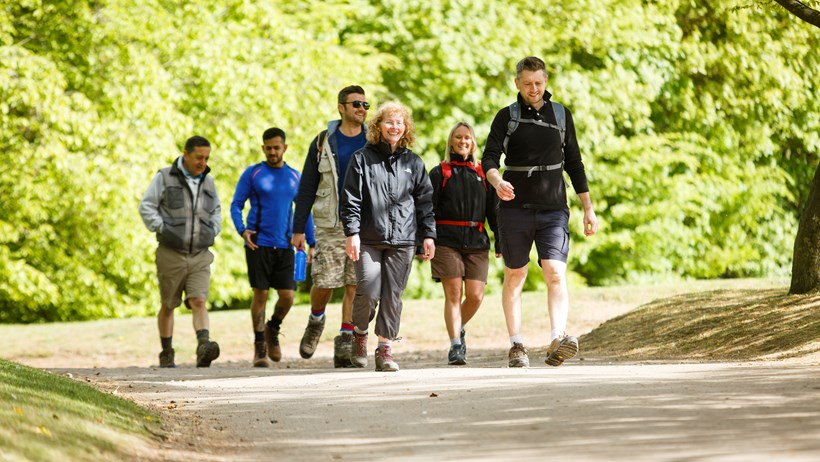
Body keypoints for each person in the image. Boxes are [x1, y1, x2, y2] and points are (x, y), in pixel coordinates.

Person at [482, 56, 599, 368]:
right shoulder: (507, 116)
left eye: (538, 83)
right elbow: (490, 157)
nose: (533, 89)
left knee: (556, 273)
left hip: (553, 209)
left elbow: (574, 163)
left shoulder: (561, 114)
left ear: (546, 81)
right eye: (527, 83)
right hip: (514, 208)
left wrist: (588, 208)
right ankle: (516, 344)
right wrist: (496, 181)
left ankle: (558, 338)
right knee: (516, 275)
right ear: (517, 84)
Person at [341, 101, 436, 372]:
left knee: (393, 294)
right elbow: (351, 200)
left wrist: (428, 235)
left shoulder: (414, 163)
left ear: (405, 128)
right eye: (389, 122)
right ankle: (360, 333)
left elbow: (425, 203)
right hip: (369, 238)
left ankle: (385, 349)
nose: (394, 127)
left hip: (404, 239)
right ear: (378, 126)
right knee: (369, 290)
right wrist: (352, 233)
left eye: (399, 122)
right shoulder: (362, 158)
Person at [292, 85, 369, 368]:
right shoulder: (323, 141)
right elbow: (307, 187)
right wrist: (298, 229)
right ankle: (315, 319)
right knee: (324, 281)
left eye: (365, 104)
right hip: (329, 222)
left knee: (354, 283)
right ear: (341, 107)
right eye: (356, 104)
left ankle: (345, 342)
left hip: (362, 222)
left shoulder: (372, 139)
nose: (362, 109)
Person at [230, 127, 315, 367]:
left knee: (287, 296)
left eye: (277, 147)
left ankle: (272, 328)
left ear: (285, 148)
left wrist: (312, 242)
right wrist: (241, 229)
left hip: (286, 245)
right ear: (263, 148)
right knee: (261, 294)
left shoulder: (294, 177)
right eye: (268, 148)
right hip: (258, 244)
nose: (272, 152)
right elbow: (236, 204)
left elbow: (303, 211)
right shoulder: (253, 173)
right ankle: (259, 347)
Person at [138, 135, 222, 368]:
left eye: (206, 158)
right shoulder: (164, 177)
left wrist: (214, 229)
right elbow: (146, 206)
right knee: (169, 304)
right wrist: (162, 228)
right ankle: (167, 352)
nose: (203, 162)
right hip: (170, 252)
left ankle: (204, 347)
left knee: (199, 299)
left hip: (200, 254)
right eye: (198, 157)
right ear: (185, 154)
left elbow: (216, 210)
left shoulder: (209, 182)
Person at [428, 122, 499, 366]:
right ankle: (456, 346)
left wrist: (499, 240)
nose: (462, 141)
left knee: (476, 296)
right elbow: (428, 209)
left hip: (477, 241)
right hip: (446, 241)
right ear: (451, 142)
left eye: (467, 137)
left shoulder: (482, 173)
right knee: (454, 293)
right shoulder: (440, 172)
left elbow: (493, 211)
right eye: (458, 137)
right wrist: (425, 239)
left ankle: (459, 327)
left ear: (473, 142)